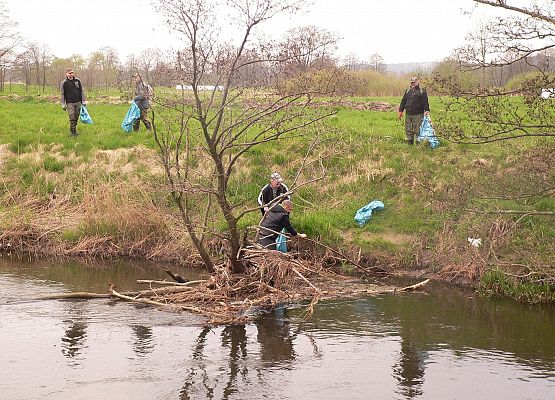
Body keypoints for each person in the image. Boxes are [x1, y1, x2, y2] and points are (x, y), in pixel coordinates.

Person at [398, 77, 430, 145]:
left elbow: (425, 102)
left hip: (418, 114)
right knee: (408, 129)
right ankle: (410, 143)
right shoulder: (407, 91)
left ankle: (419, 143)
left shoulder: (422, 91)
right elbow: (403, 101)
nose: (413, 84)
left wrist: (427, 110)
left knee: (418, 129)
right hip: (408, 114)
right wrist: (400, 111)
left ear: (418, 82)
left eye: (414, 82)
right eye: (412, 82)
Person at [60, 68, 87, 136]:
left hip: (78, 102)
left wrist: (83, 101)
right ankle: (73, 131)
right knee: (72, 117)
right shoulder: (64, 83)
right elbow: (62, 94)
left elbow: (81, 91)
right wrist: (63, 104)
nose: (71, 74)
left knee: (76, 116)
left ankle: (74, 128)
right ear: (66, 74)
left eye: (72, 73)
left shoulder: (77, 81)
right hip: (70, 103)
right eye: (69, 73)